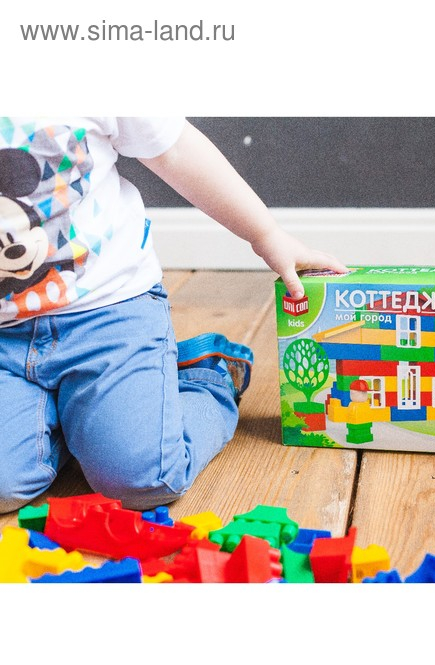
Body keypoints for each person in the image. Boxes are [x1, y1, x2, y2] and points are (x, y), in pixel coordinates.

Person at [0, 117, 347, 513]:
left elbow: (176, 150)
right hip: (6, 336)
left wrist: (266, 235)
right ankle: (79, 414)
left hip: (108, 315)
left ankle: (208, 378)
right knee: (4, 486)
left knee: (145, 479)